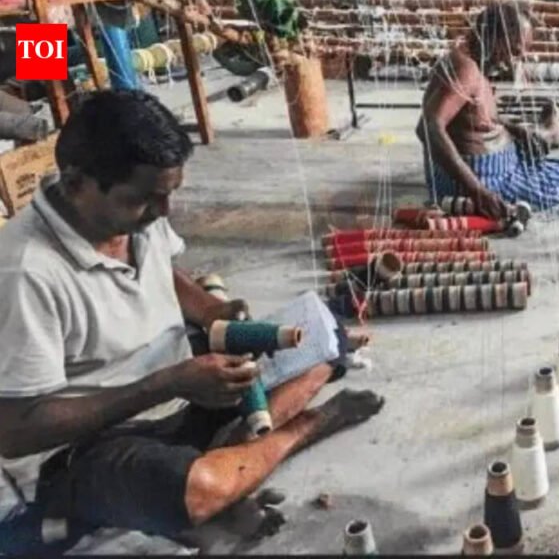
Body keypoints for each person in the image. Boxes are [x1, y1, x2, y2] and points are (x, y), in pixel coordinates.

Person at [0, 90, 384, 551]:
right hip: (93, 444)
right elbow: (16, 431)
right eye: (147, 199)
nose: (164, 211)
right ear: (78, 182)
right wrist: (166, 384)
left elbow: (163, 266)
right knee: (200, 487)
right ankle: (303, 428)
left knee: (319, 339)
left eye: (169, 194)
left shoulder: (135, 210)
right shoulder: (24, 272)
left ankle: (232, 460)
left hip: (178, 393)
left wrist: (209, 310)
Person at [416, 3, 559, 220]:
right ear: (497, 38)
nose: (513, 61)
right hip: (484, 182)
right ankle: (548, 133)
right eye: (514, 51)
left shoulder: (470, 61)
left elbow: (475, 116)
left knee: (533, 144)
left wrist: (514, 129)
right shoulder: (466, 70)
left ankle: (545, 133)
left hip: (487, 172)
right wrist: (479, 193)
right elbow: (428, 128)